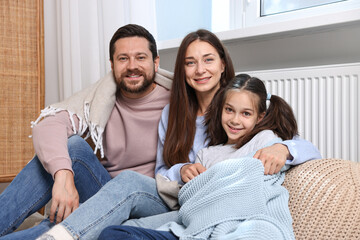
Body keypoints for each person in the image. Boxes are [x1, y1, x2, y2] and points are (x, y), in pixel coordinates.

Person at [37, 30, 321, 240]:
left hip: (199, 206)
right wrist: (182, 169)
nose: (200, 70)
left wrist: (286, 149)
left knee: (119, 203)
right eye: (190, 63)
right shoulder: (172, 113)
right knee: (79, 157)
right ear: (182, 69)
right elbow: (162, 171)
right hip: (173, 195)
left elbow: (293, 141)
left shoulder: (243, 101)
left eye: (208, 60)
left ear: (223, 64)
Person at [0, 24, 172, 239]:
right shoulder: (100, 99)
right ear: (112, 64)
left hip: (152, 197)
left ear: (155, 62)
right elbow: (48, 125)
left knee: (125, 184)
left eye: (140, 57)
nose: (132, 66)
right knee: (72, 148)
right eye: (123, 58)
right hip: (104, 194)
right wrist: (63, 176)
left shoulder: (177, 99)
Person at [98, 74, 299, 239]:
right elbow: (191, 198)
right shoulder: (206, 154)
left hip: (235, 222)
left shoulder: (265, 140)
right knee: (114, 232)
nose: (235, 120)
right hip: (192, 225)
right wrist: (187, 175)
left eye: (246, 114)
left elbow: (267, 176)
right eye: (229, 110)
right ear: (221, 110)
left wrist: (283, 148)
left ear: (260, 117)